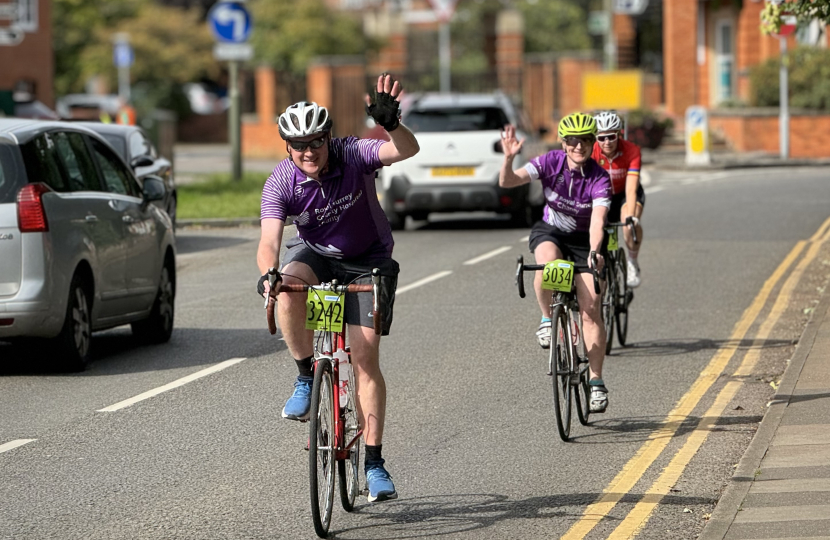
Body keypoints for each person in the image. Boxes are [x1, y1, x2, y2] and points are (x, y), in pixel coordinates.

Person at [256, 74, 420, 502]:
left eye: (316, 142)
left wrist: (392, 125)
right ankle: (306, 375)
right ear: (287, 148)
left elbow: (405, 150)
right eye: (299, 145)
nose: (308, 152)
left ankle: (374, 462)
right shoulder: (280, 182)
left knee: (365, 357)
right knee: (288, 284)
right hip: (318, 256)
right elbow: (270, 239)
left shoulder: (352, 153)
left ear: (329, 138)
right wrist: (268, 274)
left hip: (369, 260)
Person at [499, 112, 613, 413]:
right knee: (550, 266)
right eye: (573, 141)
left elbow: (598, 221)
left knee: (591, 308)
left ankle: (596, 381)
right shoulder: (550, 162)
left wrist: (594, 251)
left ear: (592, 144)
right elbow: (508, 181)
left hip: (583, 241)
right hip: (551, 232)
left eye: (586, 141)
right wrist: (509, 158)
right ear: (563, 143)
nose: (579, 147)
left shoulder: (599, 178)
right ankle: (548, 320)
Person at [591, 111, 645, 288]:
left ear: (619, 134)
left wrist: (630, 216)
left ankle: (632, 262)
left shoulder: (632, 150)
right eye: (602, 137)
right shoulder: (591, 151)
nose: (607, 142)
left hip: (624, 195)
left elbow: (631, 188)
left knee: (629, 224)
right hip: (602, 196)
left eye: (611, 137)